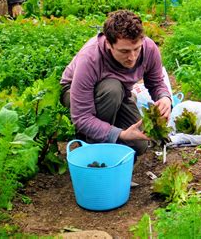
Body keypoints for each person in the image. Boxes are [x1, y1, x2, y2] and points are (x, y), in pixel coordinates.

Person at [60, 10, 172, 157]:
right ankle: (91, 146)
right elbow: (82, 117)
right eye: (124, 51)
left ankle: (108, 138)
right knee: (112, 89)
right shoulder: (90, 58)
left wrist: (165, 98)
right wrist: (120, 134)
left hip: (120, 92)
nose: (132, 57)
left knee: (139, 144)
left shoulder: (149, 49)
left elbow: (156, 82)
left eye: (136, 49)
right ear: (108, 43)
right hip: (75, 92)